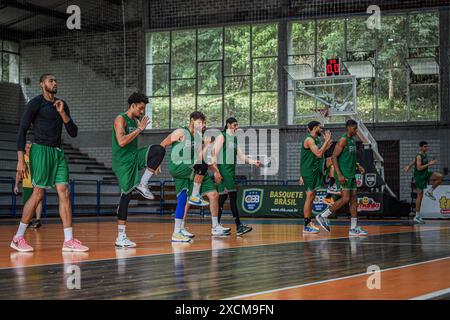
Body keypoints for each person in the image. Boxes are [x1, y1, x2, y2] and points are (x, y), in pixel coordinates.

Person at [12, 73, 88, 252]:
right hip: (40, 150)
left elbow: (73, 132)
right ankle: (18, 237)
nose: (54, 83)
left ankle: (68, 240)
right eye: (50, 81)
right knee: (38, 194)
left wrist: (62, 113)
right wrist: (20, 160)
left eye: (55, 81)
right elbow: (22, 131)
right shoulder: (35, 103)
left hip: (58, 152)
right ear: (41, 84)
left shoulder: (61, 104)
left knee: (65, 192)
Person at [160, 111, 230, 242]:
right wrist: (155, 162)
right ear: (192, 120)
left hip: (188, 170)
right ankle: (195, 195)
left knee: (182, 199)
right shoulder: (181, 132)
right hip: (178, 165)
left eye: (203, 123)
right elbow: (163, 144)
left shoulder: (198, 137)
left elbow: (201, 157)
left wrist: (207, 147)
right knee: (200, 166)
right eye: (199, 122)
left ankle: (178, 231)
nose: (202, 125)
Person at [112, 92, 166, 247]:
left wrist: (153, 162)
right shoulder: (120, 119)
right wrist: (139, 130)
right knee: (126, 197)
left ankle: (143, 184)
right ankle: (120, 237)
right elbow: (121, 142)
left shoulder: (135, 122)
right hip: (122, 163)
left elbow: (133, 145)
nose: (142, 112)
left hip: (134, 157)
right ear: (133, 105)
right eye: (140, 109)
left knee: (159, 150)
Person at [316, 119, 368, 236]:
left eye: (356, 128)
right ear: (348, 128)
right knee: (345, 199)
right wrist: (339, 175)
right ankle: (322, 215)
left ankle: (353, 228)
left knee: (354, 199)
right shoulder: (343, 140)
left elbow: (351, 157)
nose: (356, 131)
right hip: (343, 174)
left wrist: (358, 166)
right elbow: (334, 157)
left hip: (351, 174)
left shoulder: (353, 141)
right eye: (354, 128)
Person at [213, 117, 262, 236]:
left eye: (237, 125)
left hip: (230, 171)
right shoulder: (222, 136)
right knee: (233, 197)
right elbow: (213, 153)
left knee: (222, 199)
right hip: (224, 171)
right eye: (235, 125)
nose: (237, 127)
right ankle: (239, 226)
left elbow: (241, 157)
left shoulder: (234, 139)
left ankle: (216, 226)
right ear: (228, 125)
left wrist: (253, 161)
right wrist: (216, 172)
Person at [300, 121, 333, 234]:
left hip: (316, 167)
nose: (322, 129)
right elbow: (318, 153)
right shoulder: (309, 140)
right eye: (320, 127)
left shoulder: (318, 139)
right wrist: (327, 141)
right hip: (309, 171)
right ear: (314, 128)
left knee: (333, 160)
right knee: (309, 196)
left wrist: (327, 144)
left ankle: (331, 189)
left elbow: (321, 152)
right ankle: (306, 225)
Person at [404, 141, 443, 224]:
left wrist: (408, 166)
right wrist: (429, 164)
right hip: (419, 176)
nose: (426, 148)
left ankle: (430, 191)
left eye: (427, 146)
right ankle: (417, 216)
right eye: (425, 146)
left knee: (440, 176)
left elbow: (413, 161)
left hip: (425, 174)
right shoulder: (419, 156)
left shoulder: (424, 154)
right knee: (420, 195)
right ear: (421, 147)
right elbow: (419, 168)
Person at [14, 141, 43, 229]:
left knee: (38, 202)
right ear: (25, 149)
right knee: (27, 203)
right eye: (28, 148)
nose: (29, 149)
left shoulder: (37, 157)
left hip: (37, 183)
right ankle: (28, 221)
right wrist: (16, 185)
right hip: (26, 184)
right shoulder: (22, 159)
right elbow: (18, 173)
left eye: (31, 148)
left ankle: (38, 221)